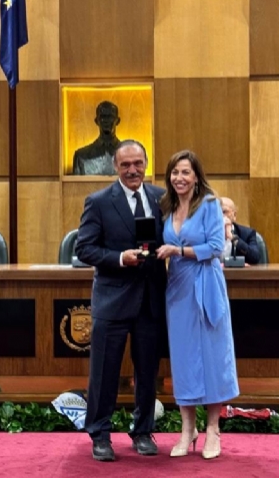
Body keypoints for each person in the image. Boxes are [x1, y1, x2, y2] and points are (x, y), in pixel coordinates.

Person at [75, 140, 167, 461]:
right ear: (116, 166)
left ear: (146, 163)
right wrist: (118, 258)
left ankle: (142, 431)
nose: (132, 170)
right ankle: (99, 434)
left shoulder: (161, 198)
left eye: (138, 164)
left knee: (147, 371)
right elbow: (84, 249)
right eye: (125, 165)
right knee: (104, 372)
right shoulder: (98, 201)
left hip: (150, 301)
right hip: (112, 300)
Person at [155, 150, 239, 460]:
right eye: (175, 172)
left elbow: (216, 248)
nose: (179, 178)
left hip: (206, 284)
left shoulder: (209, 205)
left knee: (213, 358)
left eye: (185, 172)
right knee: (185, 360)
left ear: (196, 176)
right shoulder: (167, 206)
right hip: (177, 288)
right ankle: (187, 429)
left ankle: (213, 429)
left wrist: (178, 250)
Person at [72, 101, 121, 175]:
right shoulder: (81, 156)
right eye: (103, 117)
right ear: (96, 121)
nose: (106, 121)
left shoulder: (132, 155)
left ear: (117, 121)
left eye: (110, 116)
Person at [219, 197, 261, 265]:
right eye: (216, 212)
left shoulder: (247, 233)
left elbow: (255, 258)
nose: (220, 215)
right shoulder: (206, 233)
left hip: (238, 274)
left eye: (224, 212)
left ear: (234, 215)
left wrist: (232, 237)